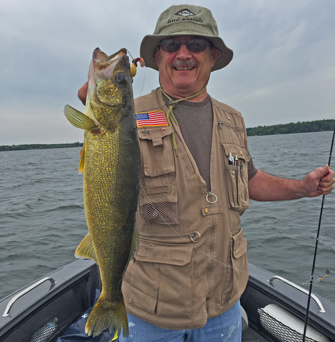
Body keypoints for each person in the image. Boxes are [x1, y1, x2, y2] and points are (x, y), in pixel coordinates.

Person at [78, 5, 335, 342]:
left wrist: (301, 187)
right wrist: (98, 96)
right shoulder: (131, 115)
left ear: (213, 56)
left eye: (196, 45)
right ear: (157, 56)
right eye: (171, 45)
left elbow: (250, 180)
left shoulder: (234, 119)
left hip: (223, 307)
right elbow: (105, 162)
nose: (183, 54)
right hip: (150, 312)